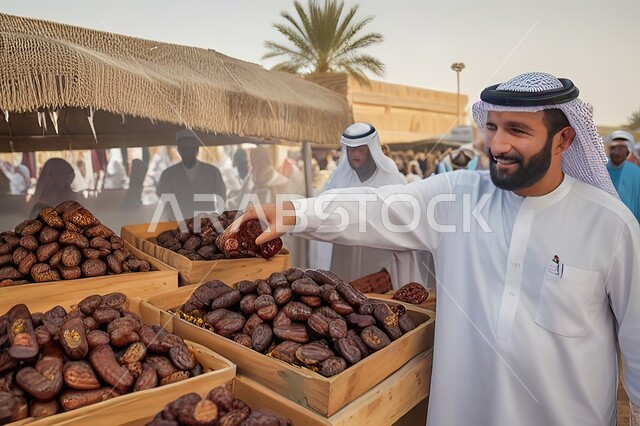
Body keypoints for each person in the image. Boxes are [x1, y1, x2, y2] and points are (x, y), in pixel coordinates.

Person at [234, 73, 640, 426]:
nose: (497, 144)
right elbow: (375, 207)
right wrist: (292, 212)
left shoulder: (610, 224)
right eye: (493, 126)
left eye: (517, 130)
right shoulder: (457, 196)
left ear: (563, 139)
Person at [310, 123, 429, 289]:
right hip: (344, 261)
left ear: (372, 150)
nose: (356, 154)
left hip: (379, 267)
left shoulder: (392, 180)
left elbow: (404, 228)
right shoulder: (337, 179)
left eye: (361, 149)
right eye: (352, 150)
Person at [156, 130, 227, 221]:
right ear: (179, 150)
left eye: (190, 148)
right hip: (177, 226)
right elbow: (162, 198)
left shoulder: (212, 172)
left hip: (205, 228)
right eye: (184, 149)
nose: (187, 152)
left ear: (196, 149)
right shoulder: (168, 175)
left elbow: (222, 198)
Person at [605, 130, 640, 221]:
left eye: (621, 148)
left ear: (628, 152)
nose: (616, 152)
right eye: (613, 148)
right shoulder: (601, 170)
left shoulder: (636, 172)